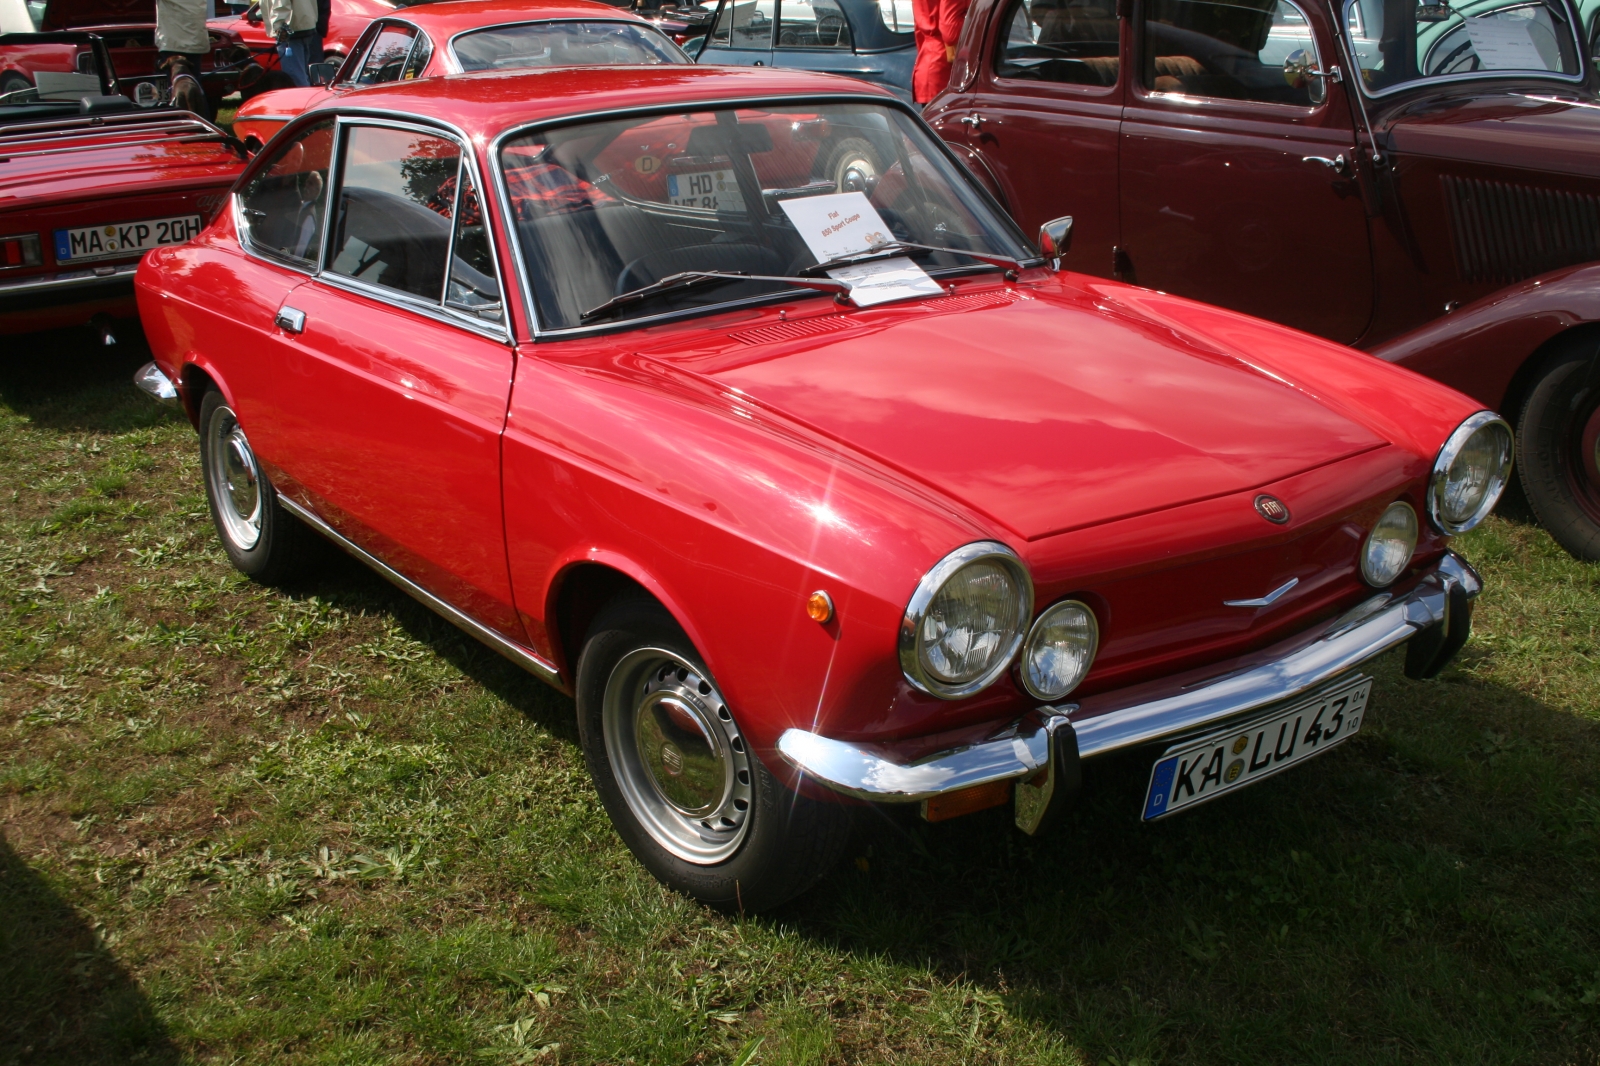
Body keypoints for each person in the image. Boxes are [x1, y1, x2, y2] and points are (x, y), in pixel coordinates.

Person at [154, 0, 212, 114]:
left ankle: (182, 120)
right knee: (195, 87)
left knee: (178, 89)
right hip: (195, 41)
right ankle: (204, 120)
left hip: (174, 43)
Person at [912, 0, 970, 103]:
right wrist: (976, 18)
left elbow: (919, 33)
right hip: (945, 70)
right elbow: (951, 33)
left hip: (927, 64)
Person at [266, 0, 323, 87]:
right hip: (305, 25)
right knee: (302, 75)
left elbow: (281, 4)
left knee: (295, 78)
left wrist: (279, 25)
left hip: (291, 29)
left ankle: (302, 100)